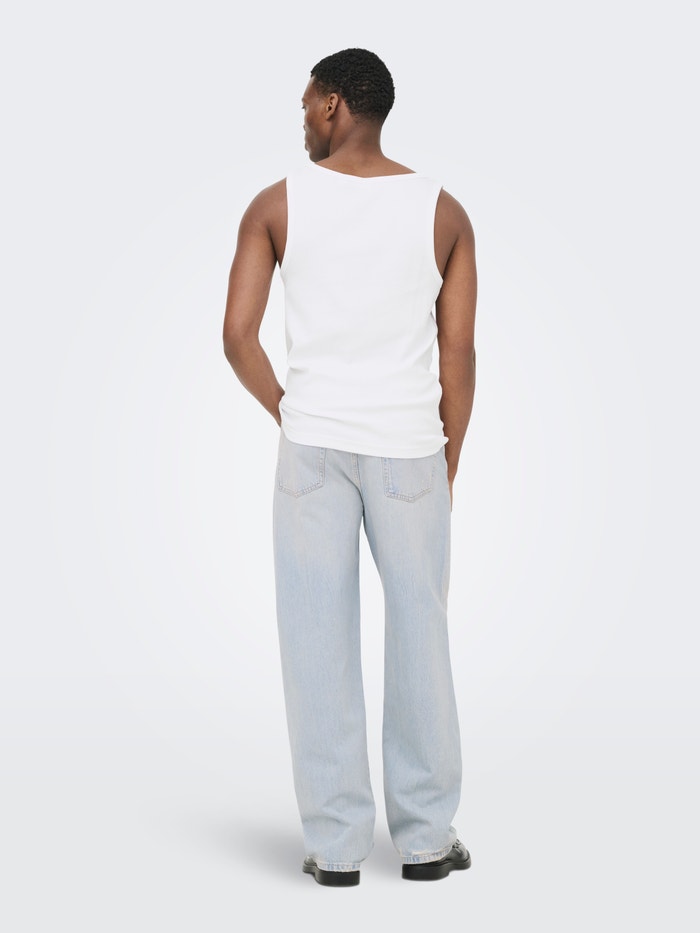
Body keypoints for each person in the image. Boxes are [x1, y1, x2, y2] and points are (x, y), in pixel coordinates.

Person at [222, 48, 477, 886]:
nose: (302, 118)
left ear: (334, 104)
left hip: (314, 451)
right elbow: (458, 353)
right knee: (422, 635)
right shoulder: (443, 212)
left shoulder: (276, 205)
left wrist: (292, 411)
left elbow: (237, 336)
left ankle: (336, 849)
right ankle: (426, 840)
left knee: (314, 639)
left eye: (307, 103)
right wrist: (448, 457)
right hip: (411, 448)